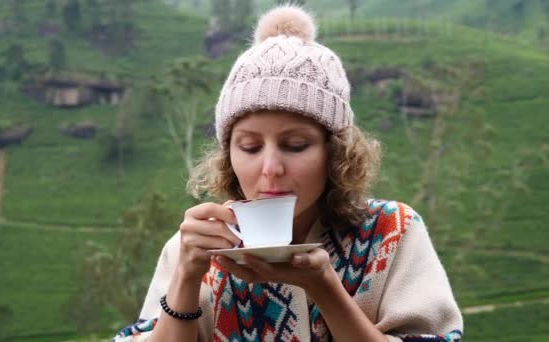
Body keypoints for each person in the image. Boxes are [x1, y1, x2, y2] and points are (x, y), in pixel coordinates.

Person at [114, 5, 463, 342]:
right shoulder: (195, 248)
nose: (270, 169)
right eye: (250, 147)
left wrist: (324, 286)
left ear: (335, 151)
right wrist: (186, 282)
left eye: (295, 145)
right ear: (228, 155)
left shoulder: (391, 233)